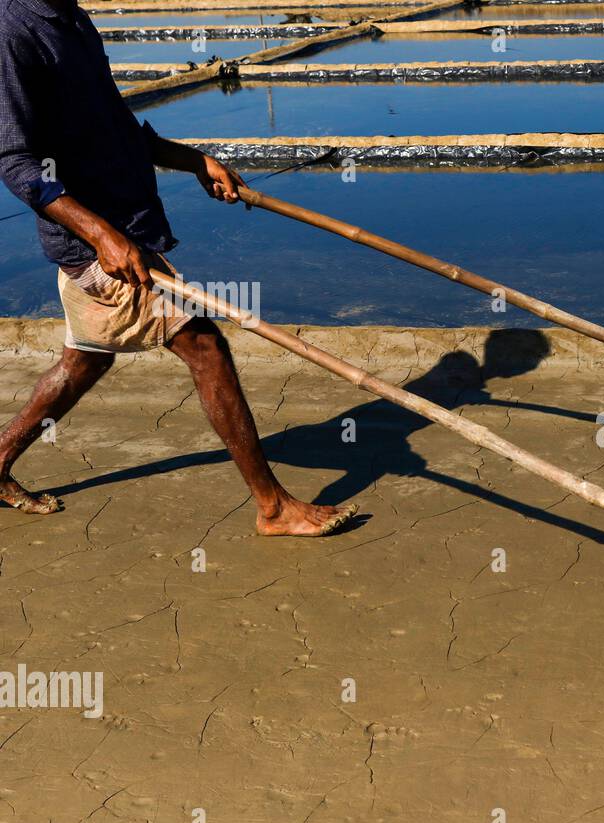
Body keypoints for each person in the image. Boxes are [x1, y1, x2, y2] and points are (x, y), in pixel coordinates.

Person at [0, 0, 354, 535]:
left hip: (127, 228)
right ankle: (273, 507)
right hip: (100, 246)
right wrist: (100, 235)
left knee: (85, 361)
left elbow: (113, 124)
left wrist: (193, 159)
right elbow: (15, 162)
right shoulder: (11, 29)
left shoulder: (71, 17)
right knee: (205, 346)